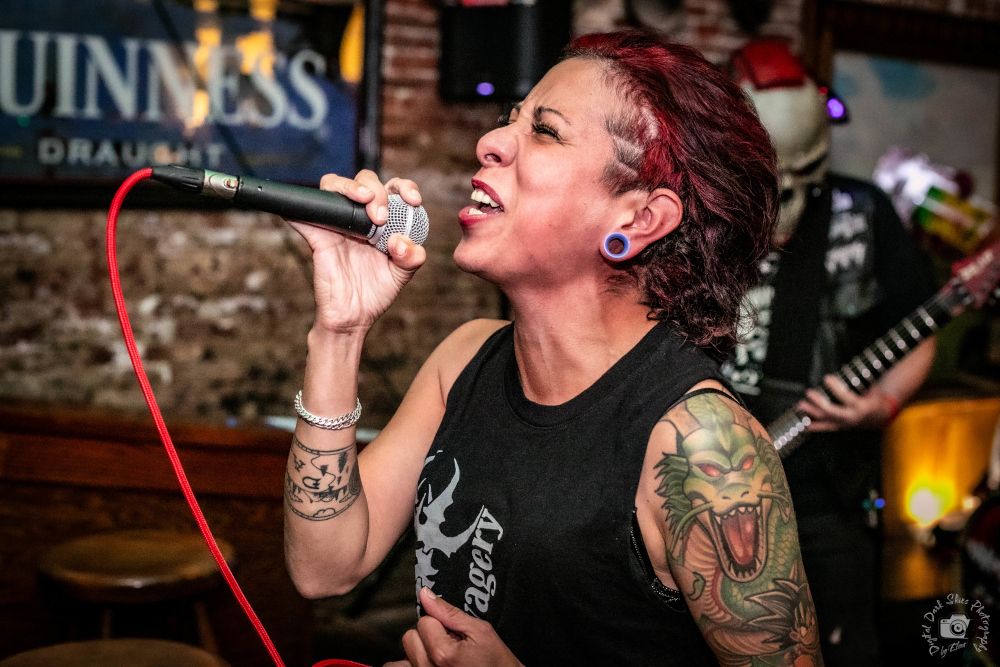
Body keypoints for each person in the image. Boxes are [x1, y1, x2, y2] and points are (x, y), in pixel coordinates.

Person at [283, 30, 823, 666]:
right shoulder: (464, 360)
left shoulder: (703, 443)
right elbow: (324, 567)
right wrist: (341, 331)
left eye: (545, 130)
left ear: (640, 219)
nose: (490, 142)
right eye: (510, 119)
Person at [724, 40, 938, 666]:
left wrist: (883, 404)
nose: (784, 203)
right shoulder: (691, 213)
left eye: (802, 176)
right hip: (708, 490)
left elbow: (919, 327)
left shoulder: (862, 213)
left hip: (825, 499)